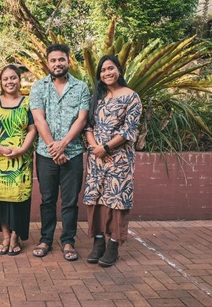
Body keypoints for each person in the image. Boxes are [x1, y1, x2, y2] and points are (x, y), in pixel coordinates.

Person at [29, 44, 90, 261]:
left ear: (68, 61)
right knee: (47, 200)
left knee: (70, 201)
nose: (57, 64)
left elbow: (82, 119)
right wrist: (54, 149)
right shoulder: (38, 87)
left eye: (61, 59)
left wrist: (63, 145)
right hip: (46, 155)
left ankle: (68, 241)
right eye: (53, 60)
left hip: (72, 153)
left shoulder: (81, 87)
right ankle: (45, 239)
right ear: (48, 63)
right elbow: (39, 119)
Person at [83, 55, 142, 267]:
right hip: (96, 158)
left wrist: (107, 147)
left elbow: (129, 129)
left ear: (119, 69)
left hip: (120, 158)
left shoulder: (131, 96)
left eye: (111, 68)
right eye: (103, 70)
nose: (107, 73)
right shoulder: (97, 96)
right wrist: (95, 148)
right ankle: (98, 242)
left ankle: (114, 245)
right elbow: (88, 126)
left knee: (117, 200)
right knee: (95, 197)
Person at [0, 65, 37, 256]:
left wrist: (23, 149)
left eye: (13, 78)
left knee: (19, 199)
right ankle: (5, 237)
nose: (10, 82)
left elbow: (32, 128)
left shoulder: (27, 102)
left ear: (19, 80)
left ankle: (16, 236)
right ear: (1, 82)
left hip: (21, 160)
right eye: (6, 79)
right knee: (1, 199)